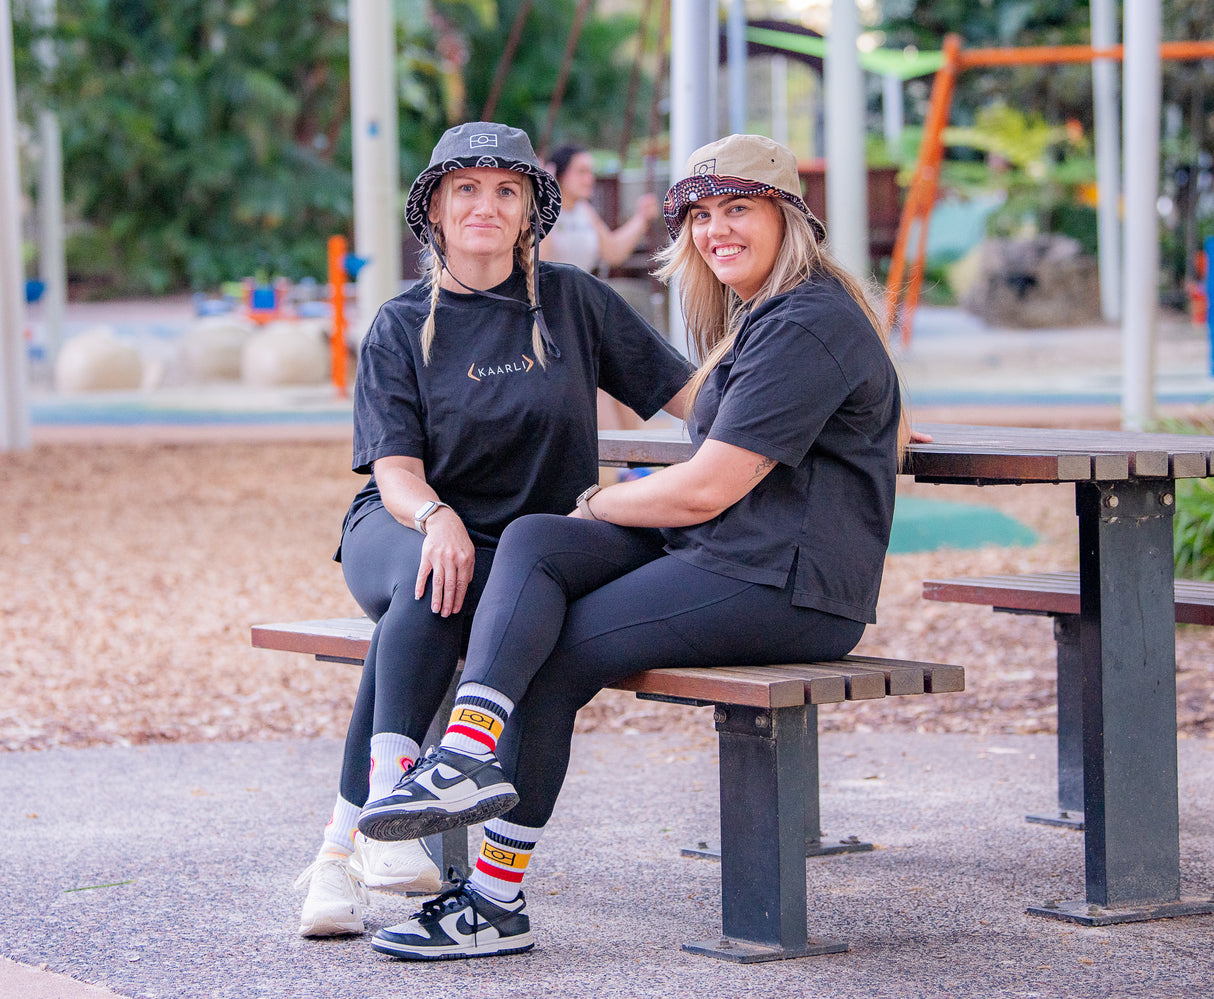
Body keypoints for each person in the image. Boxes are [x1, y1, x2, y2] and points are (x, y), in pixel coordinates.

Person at [356, 133, 912, 960]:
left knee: (554, 645)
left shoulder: (807, 321)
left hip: (785, 582)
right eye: (702, 217)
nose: (718, 231)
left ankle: (494, 898)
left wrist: (602, 500)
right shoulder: (765, 317)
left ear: (789, 218)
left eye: (740, 210)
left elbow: (705, 485)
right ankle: (467, 755)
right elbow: (712, 420)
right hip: (729, 557)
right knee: (537, 541)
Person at [293, 121, 692, 937]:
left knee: (461, 579)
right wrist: (436, 518)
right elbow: (396, 472)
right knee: (433, 574)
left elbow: (696, 398)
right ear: (435, 208)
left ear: (527, 212)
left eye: (506, 190)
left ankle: (343, 846)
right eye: (466, 188)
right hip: (405, 524)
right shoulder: (401, 324)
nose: (486, 205)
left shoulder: (573, 302)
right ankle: (394, 808)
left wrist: (829, 412)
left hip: (519, 556)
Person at [541, 143, 663, 440]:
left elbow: (613, 252)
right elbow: (541, 267)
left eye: (591, 172)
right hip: (553, 313)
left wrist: (641, 219)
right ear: (558, 173)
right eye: (581, 172)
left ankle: (637, 458)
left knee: (620, 378)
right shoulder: (543, 213)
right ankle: (619, 464)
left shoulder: (583, 211)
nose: (589, 179)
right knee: (598, 385)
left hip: (581, 308)